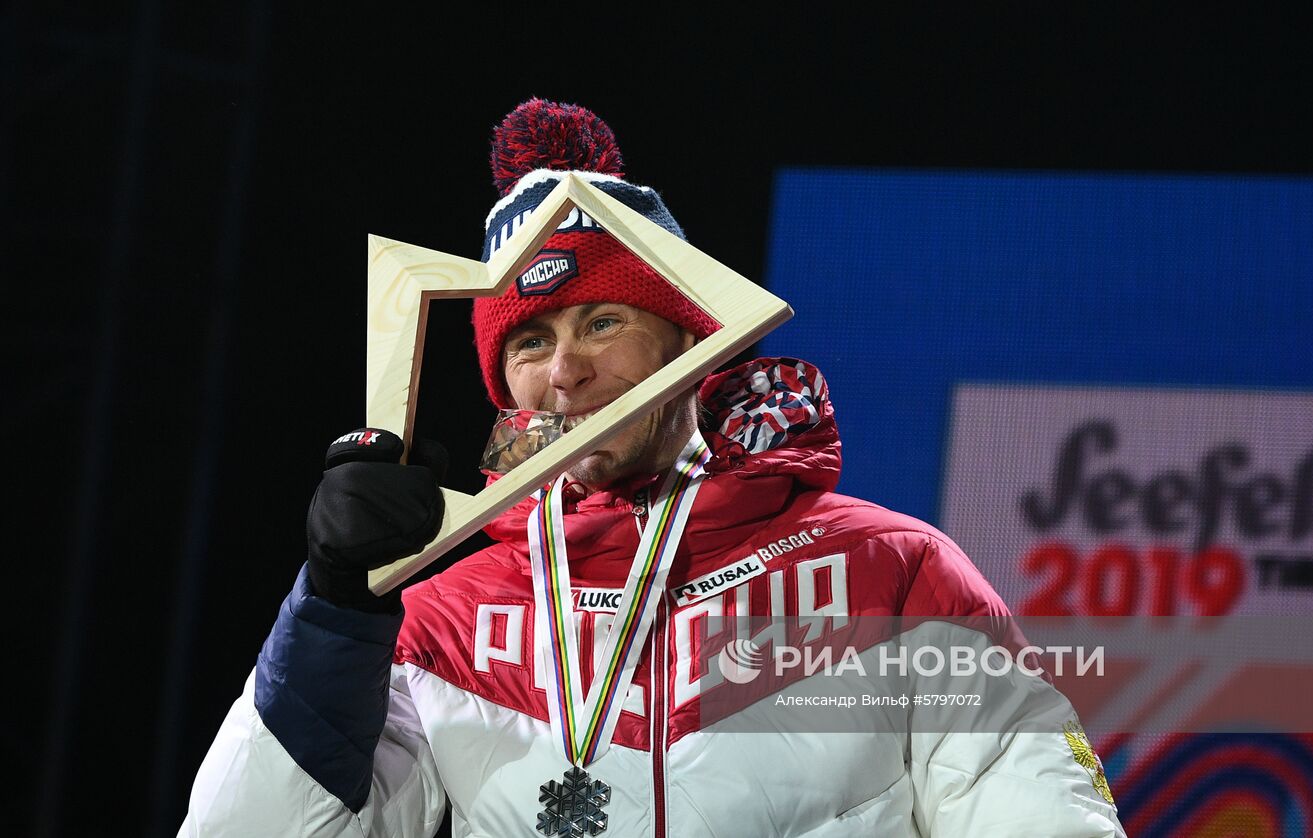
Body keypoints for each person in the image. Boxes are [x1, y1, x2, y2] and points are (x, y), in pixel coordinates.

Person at [181, 99, 1125, 837]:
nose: (566, 371)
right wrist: (336, 609)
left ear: (688, 343)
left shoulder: (895, 571)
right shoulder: (445, 620)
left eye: (602, 322)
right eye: (531, 343)